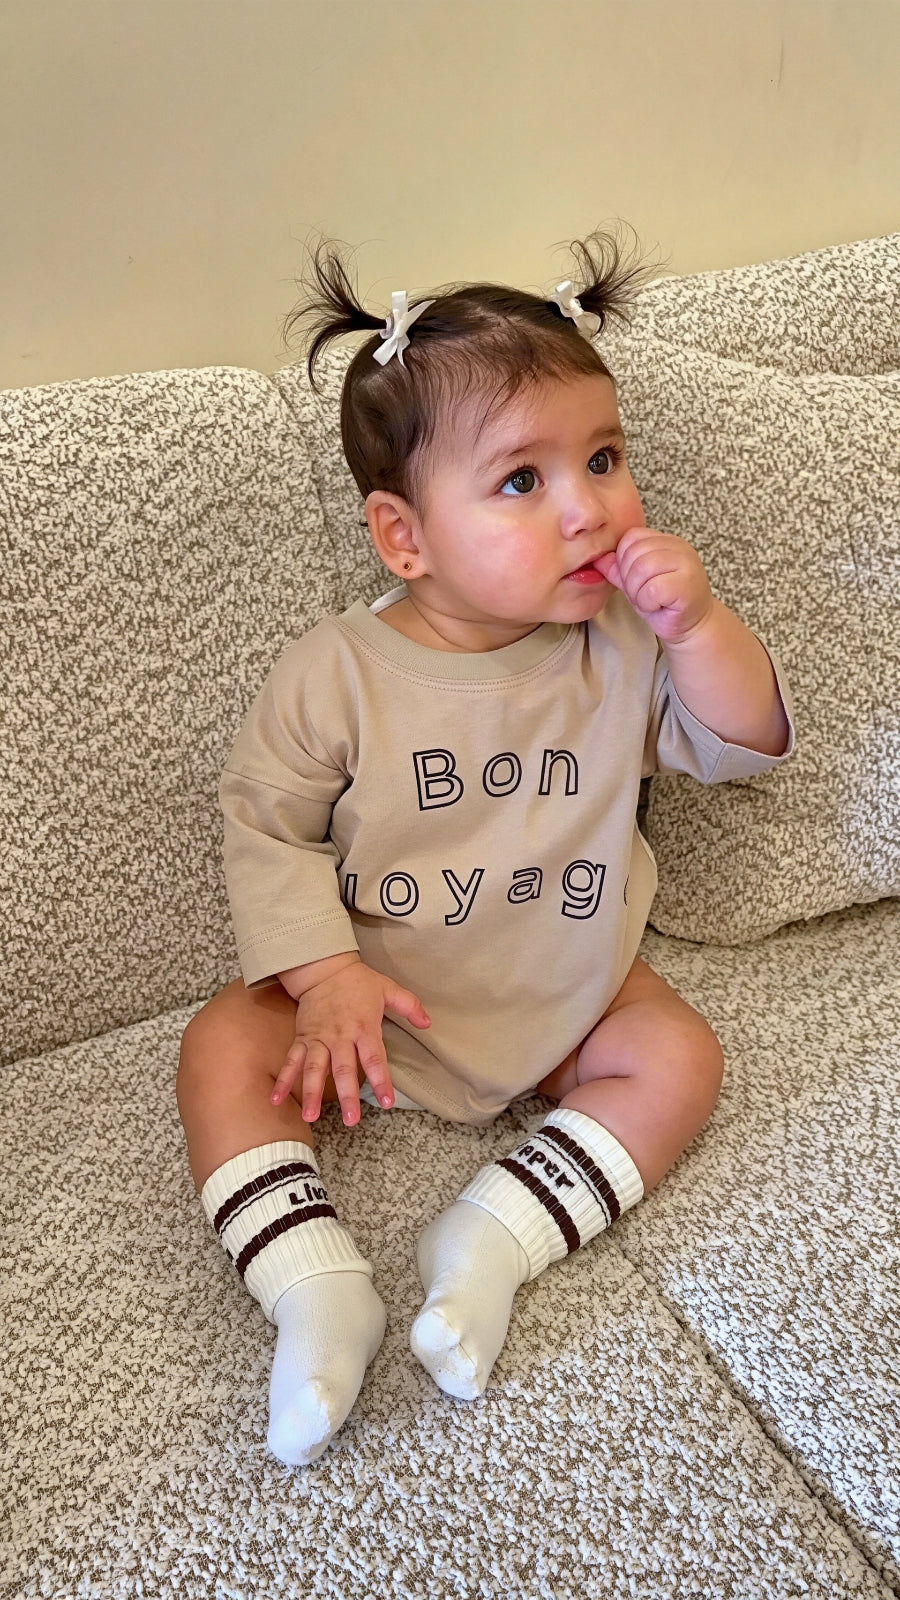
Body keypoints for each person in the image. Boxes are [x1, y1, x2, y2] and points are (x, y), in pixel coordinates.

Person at [176, 228, 795, 1469]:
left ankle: (495, 1237)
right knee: (219, 1046)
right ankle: (314, 1284)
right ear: (405, 538)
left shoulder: (623, 643)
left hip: (570, 980)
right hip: (378, 1000)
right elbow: (265, 823)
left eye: (604, 458)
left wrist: (700, 626)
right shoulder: (336, 673)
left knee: (679, 1054)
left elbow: (746, 742)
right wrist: (324, 976)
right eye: (522, 479)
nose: (589, 506)